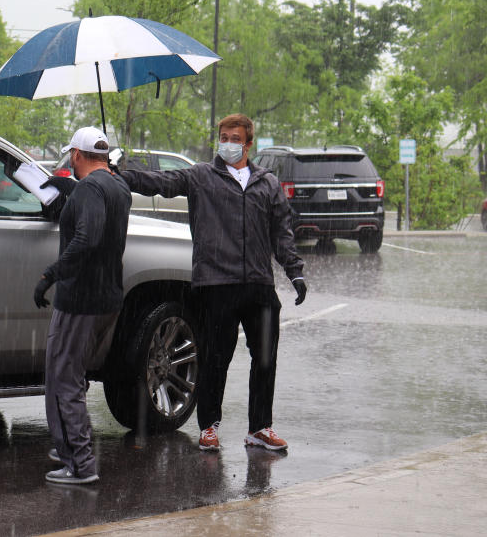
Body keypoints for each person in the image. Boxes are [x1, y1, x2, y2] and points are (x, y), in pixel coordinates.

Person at [118, 113, 306, 452]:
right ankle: (209, 427)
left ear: (249, 143)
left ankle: (260, 427)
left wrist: (296, 271)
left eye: (235, 138)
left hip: (259, 285)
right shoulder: (202, 176)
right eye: (223, 136)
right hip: (216, 284)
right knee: (216, 357)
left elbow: (282, 234)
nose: (228, 143)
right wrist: (122, 175)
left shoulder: (267, 183)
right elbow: (161, 181)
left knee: (265, 358)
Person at [34, 126, 131, 485]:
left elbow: (87, 237)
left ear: (76, 154)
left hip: (80, 299)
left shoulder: (91, 188)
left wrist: (50, 275)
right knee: (70, 375)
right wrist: (72, 190)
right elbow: (99, 209)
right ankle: (68, 449)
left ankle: (79, 462)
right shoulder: (116, 185)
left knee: (64, 379)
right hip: (107, 298)